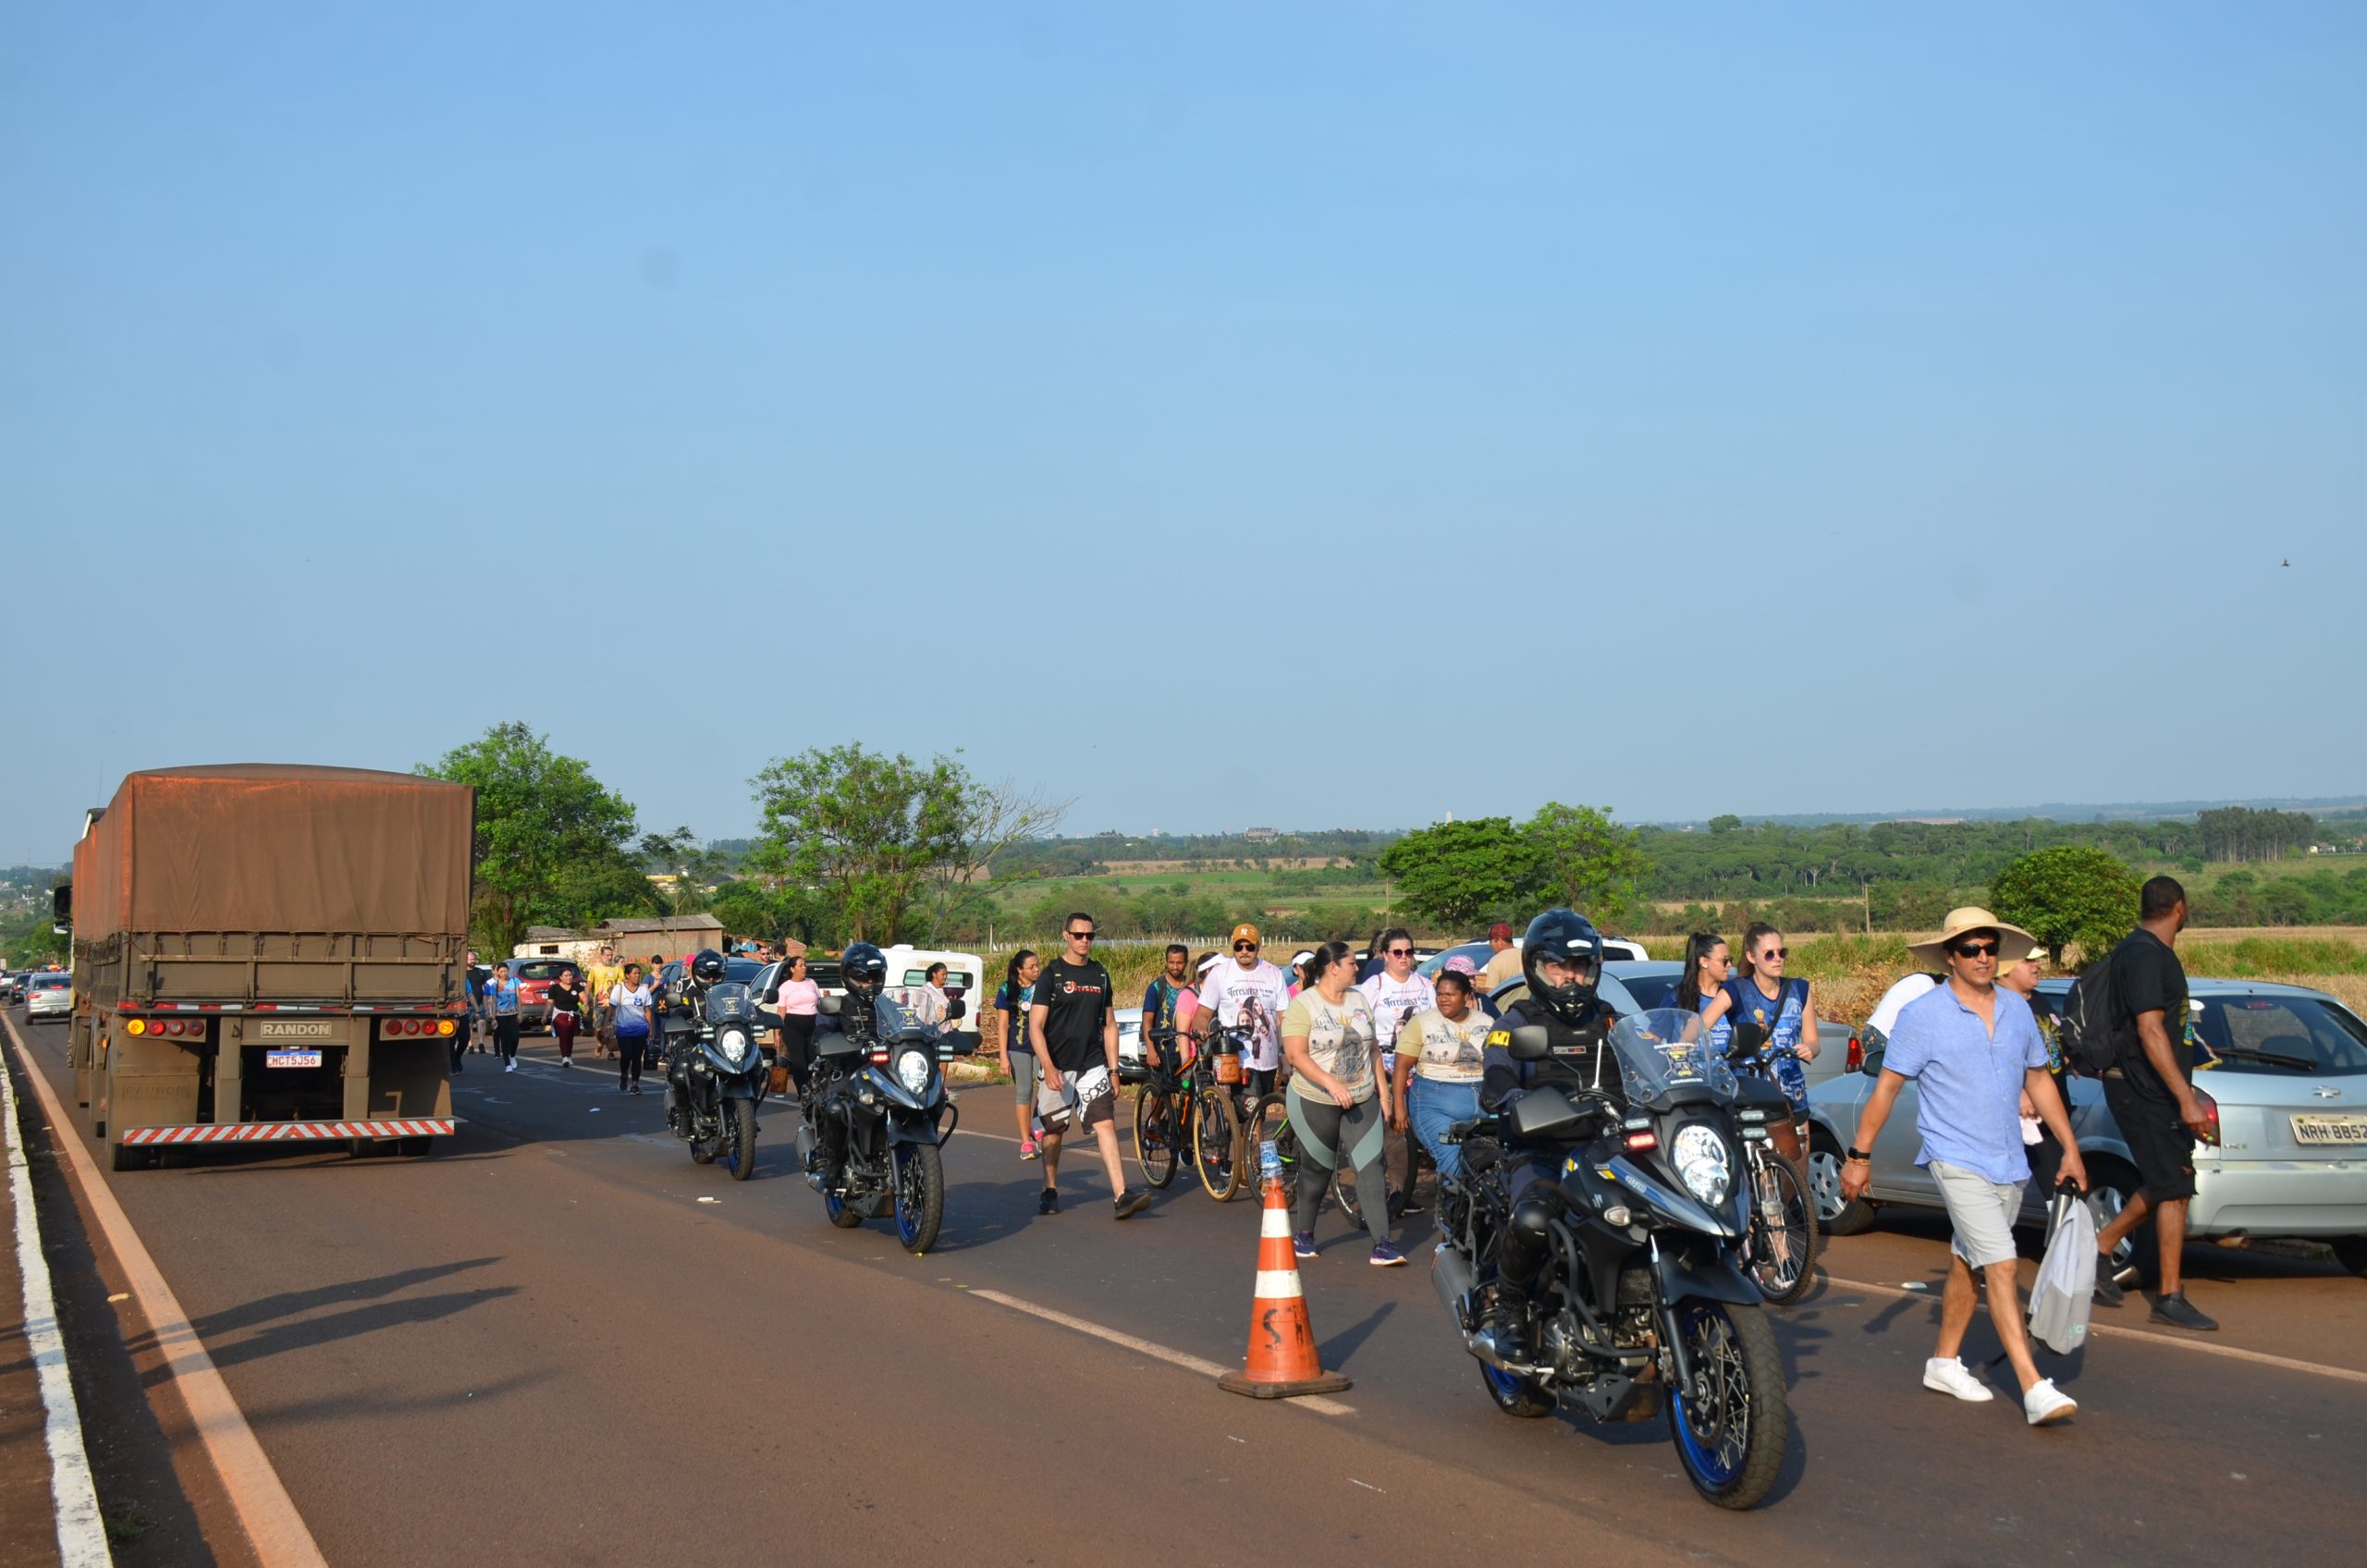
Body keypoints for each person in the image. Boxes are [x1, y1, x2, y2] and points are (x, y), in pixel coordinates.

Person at [1841, 907, 2086, 1427]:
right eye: (1971, 949)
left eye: (1990, 948)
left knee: (1968, 1262)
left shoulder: (2018, 1011)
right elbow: (1886, 1088)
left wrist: (2069, 1146)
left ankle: (1944, 1362)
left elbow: (2039, 1079)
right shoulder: (1923, 1015)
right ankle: (2032, 1385)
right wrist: (1859, 1157)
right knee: (2000, 1263)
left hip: (2008, 1159)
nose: (1982, 957)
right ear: (1951, 956)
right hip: (1953, 1157)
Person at [1474, 909, 1625, 1363]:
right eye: (1559, 968)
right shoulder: (1516, 1021)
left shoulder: (1611, 1020)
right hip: (1541, 1150)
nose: (1570, 978)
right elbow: (1496, 1074)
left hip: (1607, 1149)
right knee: (1535, 1218)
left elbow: (1650, 1057)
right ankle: (1511, 1311)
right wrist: (1515, 1097)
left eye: (1578, 967)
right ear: (1538, 969)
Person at [2091, 876, 2216, 1329]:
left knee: (2173, 1182)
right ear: (2179, 907)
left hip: (2152, 1087)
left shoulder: (2146, 951)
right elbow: (2149, 1029)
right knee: (2174, 1184)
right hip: (2142, 1088)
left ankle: (2102, 1250)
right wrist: (2185, 1098)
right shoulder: (2144, 954)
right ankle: (2167, 1295)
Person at [1282, 941, 1398, 1265]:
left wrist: (1384, 1094)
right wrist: (1331, 1083)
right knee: (1318, 1168)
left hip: (1360, 1096)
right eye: (1351, 963)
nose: (1357, 968)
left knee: (1371, 1166)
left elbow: (1373, 1049)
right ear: (1333, 967)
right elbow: (1296, 1055)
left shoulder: (1359, 999)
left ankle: (1383, 1243)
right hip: (1314, 1098)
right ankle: (1304, 1234)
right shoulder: (1304, 1004)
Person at [1028, 915, 1149, 1219]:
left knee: (1105, 1123)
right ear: (1066, 936)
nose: (1085, 941)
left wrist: (1114, 1070)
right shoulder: (1051, 975)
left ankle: (1121, 1195)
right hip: (1057, 1065)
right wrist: (1048, 1064)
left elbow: (1109, 1026)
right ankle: (1050, 1189)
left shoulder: (1100, 975)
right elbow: (1035, 1026)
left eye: (1090, 936)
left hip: (1092, 1063)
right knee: (1054, 1131)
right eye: (1079, 935)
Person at [1723, 924, 1820, 1158]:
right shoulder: (1737, 989)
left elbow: (1814, 1041)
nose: (1777, 959)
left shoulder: (1799, 989)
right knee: (1763, 1170)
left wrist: (1810, 1049)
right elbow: (1705, 1024)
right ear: (1751, 956)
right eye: (1769, 954)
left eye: (1781, 952)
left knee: (1799, 1168)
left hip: (1791, 1093)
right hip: (1753, 1093)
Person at [1358, 926, 1434, 1214]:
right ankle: (1392, 1193)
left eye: (1409, 952)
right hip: (1382, 1066)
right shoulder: (1374, 986)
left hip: (1418, 1066)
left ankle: (1401, 1192)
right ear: (1385, 955)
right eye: (1397, 952)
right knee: (1392, 1130)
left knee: (1407, 1132)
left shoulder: (1425, 986)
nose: (1404, 958)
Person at [1395, 967, 1492, 1183]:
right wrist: (1399, 1108)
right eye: (1439, 994)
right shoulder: (1421, 1023)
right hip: (1434, 1104)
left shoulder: (1486, 1023)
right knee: (1452, 1157)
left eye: (1450, 995)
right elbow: (1401, 1067)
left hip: (1483, 1103)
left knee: (1498, 1159)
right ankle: (1451, 1211)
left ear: (1467, 996)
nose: (1443, 1000)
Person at [1995, 946, 2065, 1190]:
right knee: (2047, 1184)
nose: (2036, 965)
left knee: (2060, 1185)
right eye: (2027, 961)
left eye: (2037, 960)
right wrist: (2021, 1092)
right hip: (2024, 1116)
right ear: (2004, 971)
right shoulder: (1997, 1006)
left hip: (2053, 1107)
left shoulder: (2040, 1000)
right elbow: (1996, 1058)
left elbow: (2056, 1044)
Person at [1194, 923, 1290, 1096]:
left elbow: (1283, 1018)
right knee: (1250, 1111)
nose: (1244, 951)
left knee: (1258, 1114)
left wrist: (1285, 1054)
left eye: (1249, 947)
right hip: (1236, 1058)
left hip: (1268, 1059)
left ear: (1258, 947)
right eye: (1239, 947)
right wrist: (1200, 1029)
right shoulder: (1220, 974)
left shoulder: (1274, 973)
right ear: (1233, 947)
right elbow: (1203, 1012)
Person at [995, 949, 1043, 1158]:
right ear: (1020, 969)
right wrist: (1003, 1056)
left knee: (1048, 1088)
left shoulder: (1043, 988)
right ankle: (1026, 1143)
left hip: (1043, 1047)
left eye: (1037, 965)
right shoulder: (1006, 990)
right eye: (1032, 966)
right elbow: (1003, 1025)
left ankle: (1036, 1122)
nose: (1036, 970)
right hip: (1018, 1048)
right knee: (1025, 1091)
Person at [1674, 932, 1735, 1056]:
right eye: (1724, 961)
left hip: (1732, 1073)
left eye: (1730, 960)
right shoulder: (1677, 996)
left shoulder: (1732, 995)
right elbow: (1655, 1037)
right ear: (1704, 961)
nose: (1729, 965)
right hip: (1693, 1072)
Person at [774, 951, 821, 1096]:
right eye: (800, 965)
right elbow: (781, 1011)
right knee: (799, 1060)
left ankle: (816, 1088)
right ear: (792, 969)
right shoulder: (785, 987)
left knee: (813, 1057)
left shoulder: (811, 983)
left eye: (805, 965)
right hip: (793, 1025)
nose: (804, 968)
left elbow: (819, 1003)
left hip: (812, 1024)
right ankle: (803, 1092)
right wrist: (777, 1032)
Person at [1141, 944, 1193, 1070]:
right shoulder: (1156, 987)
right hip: (1163, 1052)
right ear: (1166, 962)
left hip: (1187, 1051)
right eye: (1171, 962)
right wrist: (1151, 1050)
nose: (1175, 967)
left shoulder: (1191, 987)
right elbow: (1147, 1021)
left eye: (1179, 963)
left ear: (1186, 963)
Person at [610, 962, 654, 1095]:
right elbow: (612, 1007)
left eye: (639, 973)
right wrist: (606, 1024)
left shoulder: (644, 990)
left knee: (636, 1057)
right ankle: (624, 1074)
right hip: (623, 1029)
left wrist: (650, 1028)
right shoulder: (619, 989)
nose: (637, 976)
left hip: (640, 1029)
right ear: (627, 975)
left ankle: (635, 1084)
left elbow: (647, 1010)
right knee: (626, 1055)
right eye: (634, 973)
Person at [585, 944, 623, 1058]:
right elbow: (588, 986)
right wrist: (586, 1001)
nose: (610, 958)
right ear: (602, 955)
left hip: (612, 1002)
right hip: (599, 1002)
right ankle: (600, 1042)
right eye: (607, 955)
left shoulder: (617, 969)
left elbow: (622, 985)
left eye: (611, 955)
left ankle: (611, 1052)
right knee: (598, 1029)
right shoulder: (594, 969)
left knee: (611, 1028)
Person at [485, 961, 522, 1072]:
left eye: (506, 971)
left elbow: (518, 997)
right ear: (498, 973)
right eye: (501, 971)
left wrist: (520, 1013)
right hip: (500, 1015)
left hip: (513, 1013)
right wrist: (493, 1017)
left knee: (515, 1038)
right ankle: (507, 1064)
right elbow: (493, 1001)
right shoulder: (495, 985)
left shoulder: (515, 981)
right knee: (505, 1039)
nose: (504, 973)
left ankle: (512, 1055)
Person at [547, 966, 584, 1068]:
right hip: (560, 1015)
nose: (568, 977)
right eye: (566, 976)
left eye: (570, 975)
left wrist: (585, 1005)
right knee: (564, 1035)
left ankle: (569, 1055)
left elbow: (583, 997)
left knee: (570, 1036)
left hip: (574, 1014)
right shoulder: (554, 988)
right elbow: (550, 1002)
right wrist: (545, 1015)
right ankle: (564, 1057)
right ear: (561, 977)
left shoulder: (576, 986)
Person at [1475, 921, 1523, 995]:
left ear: (1500, 941)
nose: (1490, 944)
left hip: (1506, 1005)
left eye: (1491, 941)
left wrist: (1477, 990)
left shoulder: (1496, 961)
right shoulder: (1525, 954)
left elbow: (1491, 992)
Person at [902, 962, 951, 1028]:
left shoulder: (948, 990)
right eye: (942, 974)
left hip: (946, 1029)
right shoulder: (924, 990)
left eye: (946, 974)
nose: (945, 977)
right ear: (934, 974)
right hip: (929, 1029)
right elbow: (913, 1006)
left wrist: (952, 1001)